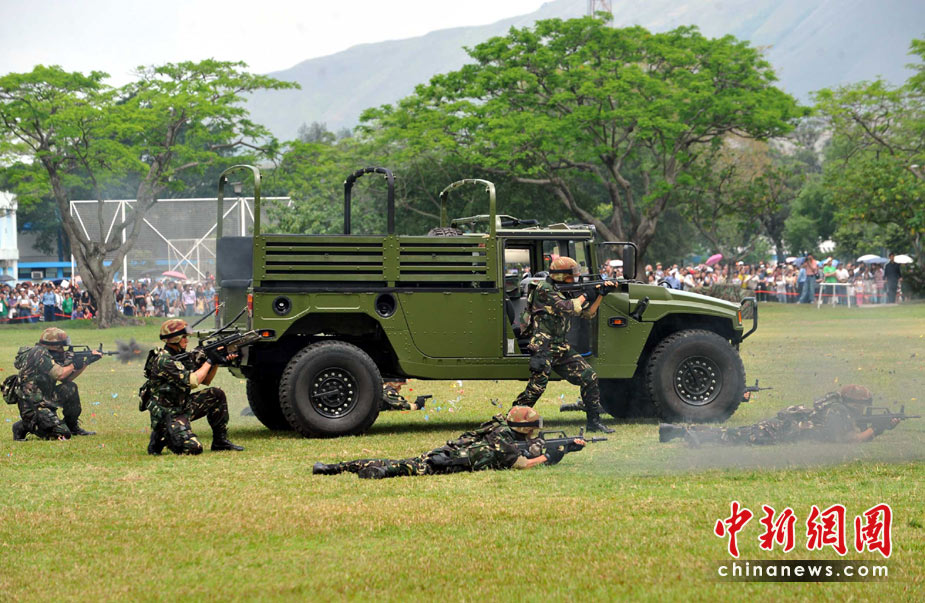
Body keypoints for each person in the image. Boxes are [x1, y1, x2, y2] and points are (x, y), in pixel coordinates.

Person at [312, 406, 585, 479]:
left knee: (405, 462)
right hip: (450, 461)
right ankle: (378, 472)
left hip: (450, 452)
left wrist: (563, 449)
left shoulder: (499, 429)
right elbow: (523, 464)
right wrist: (550, 456)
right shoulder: (503, 439)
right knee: (408, 467)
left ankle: (334, 467)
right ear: (524, 428)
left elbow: (533, 450)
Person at [513, 256, 615, 433]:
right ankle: (511, 420)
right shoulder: (544, 289)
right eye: (571, 275)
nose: (575, 278)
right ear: (561, 275)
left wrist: (600, 295)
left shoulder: (564, 291)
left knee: (589, 377)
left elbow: (588, 313)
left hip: (560, 346)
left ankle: (593, 422)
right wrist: (586, 294)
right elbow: (568, 307)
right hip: (543, 347)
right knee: (536, 388)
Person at [658, 385, 900, 446]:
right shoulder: (838, 411)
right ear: (853, 404)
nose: (863, 409)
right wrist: (876, 430)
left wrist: (875, 427)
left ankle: (681, 432)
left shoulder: (836, 406)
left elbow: (850, 430)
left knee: (736, 434)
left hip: (785, 425)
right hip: (780, 431)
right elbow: (846, 440)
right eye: (862, 405)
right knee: (735, 436)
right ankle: (684, 434)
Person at [141, 319, 243, 455]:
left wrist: (217, 362)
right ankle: (161, 435)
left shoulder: (181, 356)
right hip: (168, 414)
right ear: (175, 339)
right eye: (184, 337)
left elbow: (206, 380)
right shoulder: (164, 361)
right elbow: (193, 381)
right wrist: (210, 361)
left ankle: (220, 441)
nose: (187, 340)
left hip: (182, 406)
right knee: (194, 448)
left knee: (216, 394)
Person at [10, 327, 100, 441]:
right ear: (53, 346)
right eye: (60, 347)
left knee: (70, 388)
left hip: (45, 398)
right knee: (62, 434)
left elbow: (67, 379)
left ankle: (72, 426)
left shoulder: (49, 355)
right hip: (32, 405)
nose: (63, 350)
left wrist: (86, 362)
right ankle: (23, 425)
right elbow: (60, 374)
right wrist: (74, 365)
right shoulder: (39, 353)